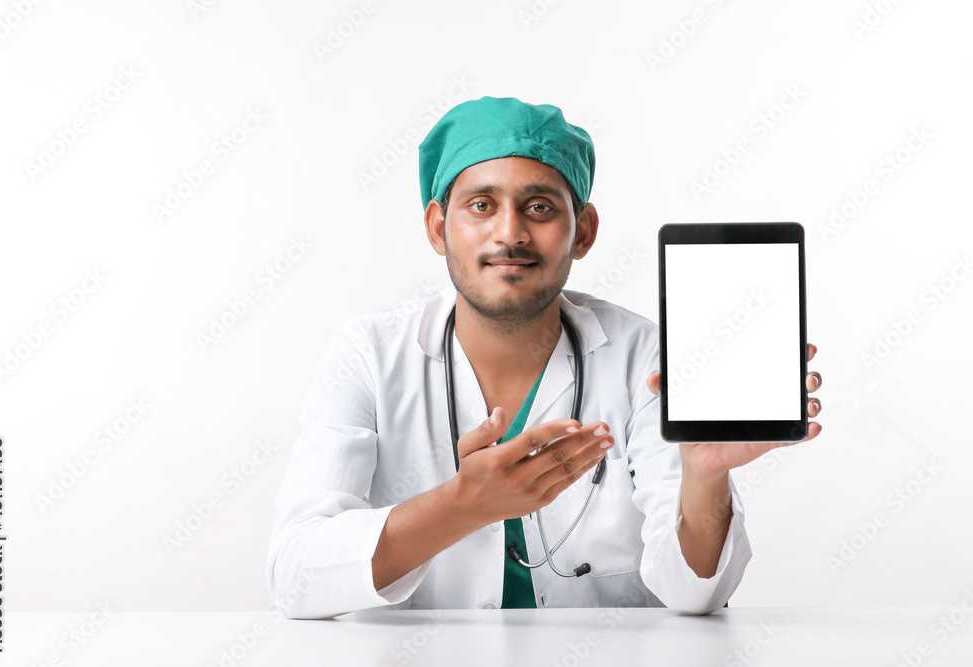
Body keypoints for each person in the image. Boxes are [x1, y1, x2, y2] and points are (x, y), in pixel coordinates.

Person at [265, 96, 823, 620]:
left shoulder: (644, 359)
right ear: (438, 227)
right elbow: (293, 576)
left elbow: (695, 595)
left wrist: (704, 475)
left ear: (584, 231)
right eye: (481, 205)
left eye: (539, 207)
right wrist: (462, 505)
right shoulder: (368, 355)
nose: (510, 233)